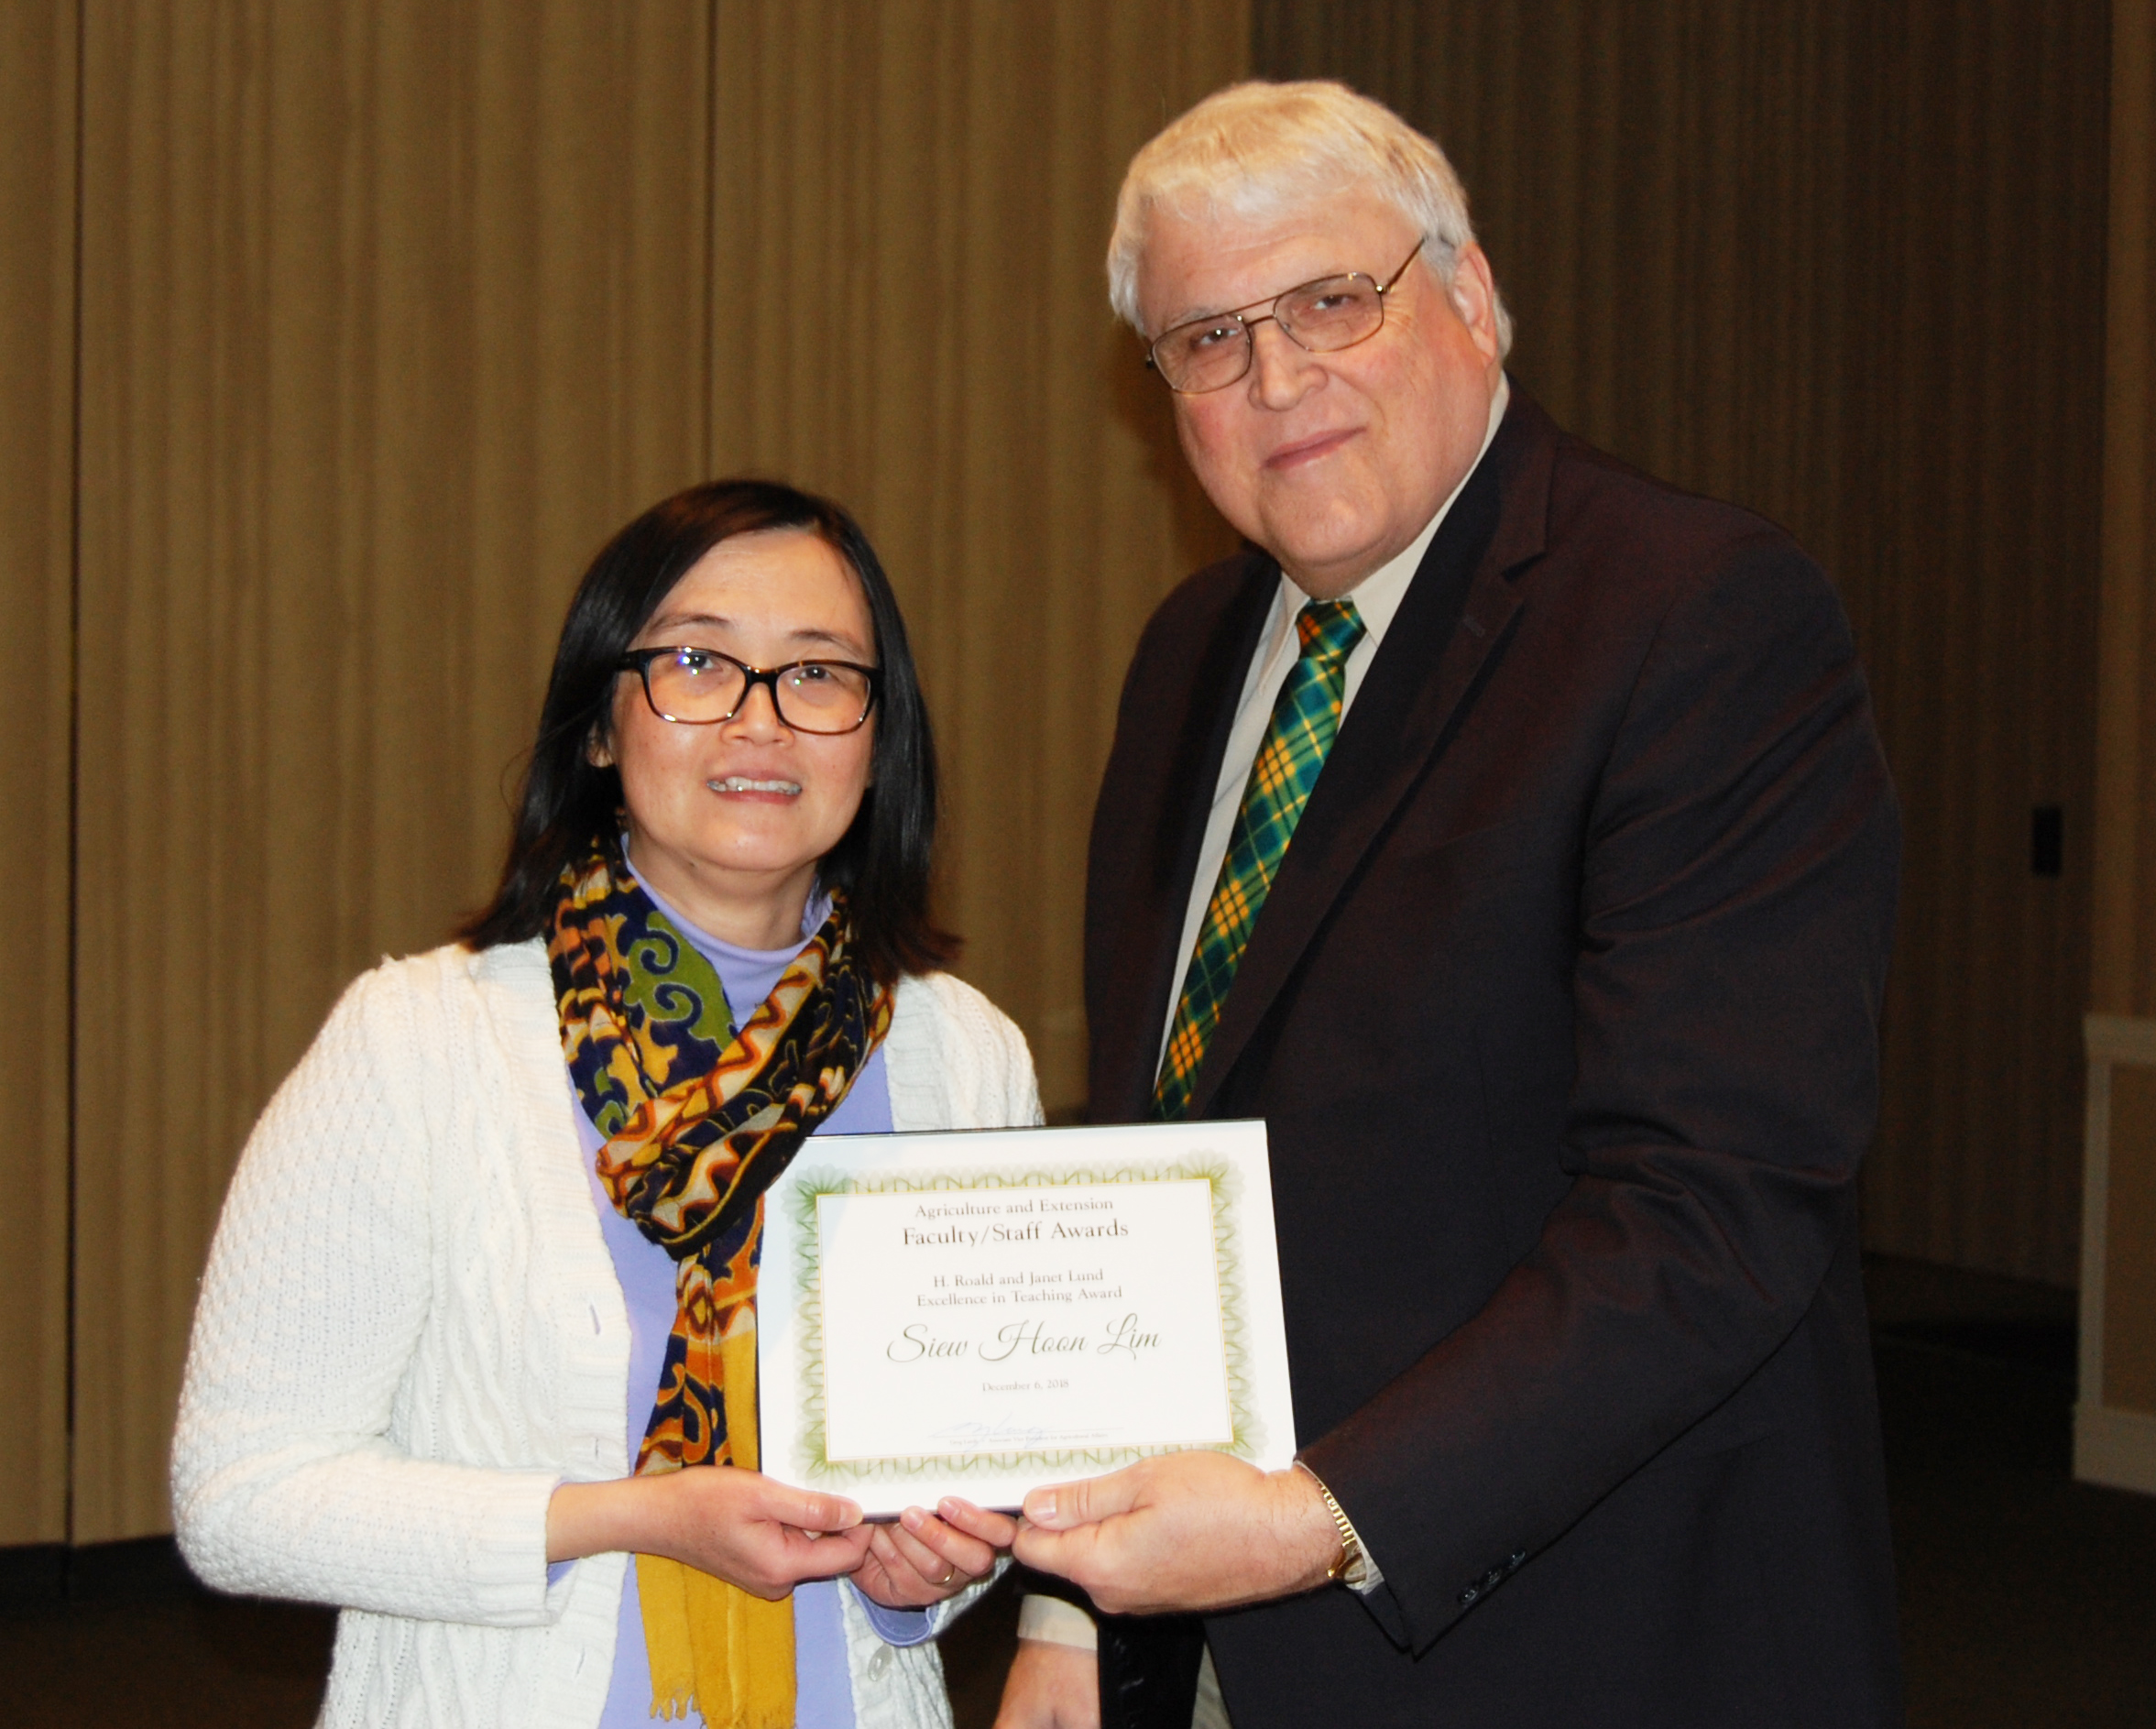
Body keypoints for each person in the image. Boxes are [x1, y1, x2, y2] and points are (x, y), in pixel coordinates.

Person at [998, 81, 1904, 1728]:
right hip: (1207, 1643)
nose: (1277, 380)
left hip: (1584, 1635)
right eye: (1206, 339)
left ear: (1471, 295)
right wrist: (1066, 1604)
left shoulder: (1692, 616)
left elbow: (1709, 1209)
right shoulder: (1188, 657)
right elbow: (1152, 1145)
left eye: (1331, 301)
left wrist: (1314, 1522)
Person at [172, 479, 1039, 1729]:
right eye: (697, 662)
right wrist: (626, 1517)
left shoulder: (966, 1057)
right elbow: (240, 1501)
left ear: (876, 734)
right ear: (598, 724)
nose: (761, 724)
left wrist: (928, 1578)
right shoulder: (422, 1043)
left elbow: (976, 1477)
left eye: (817, 675)